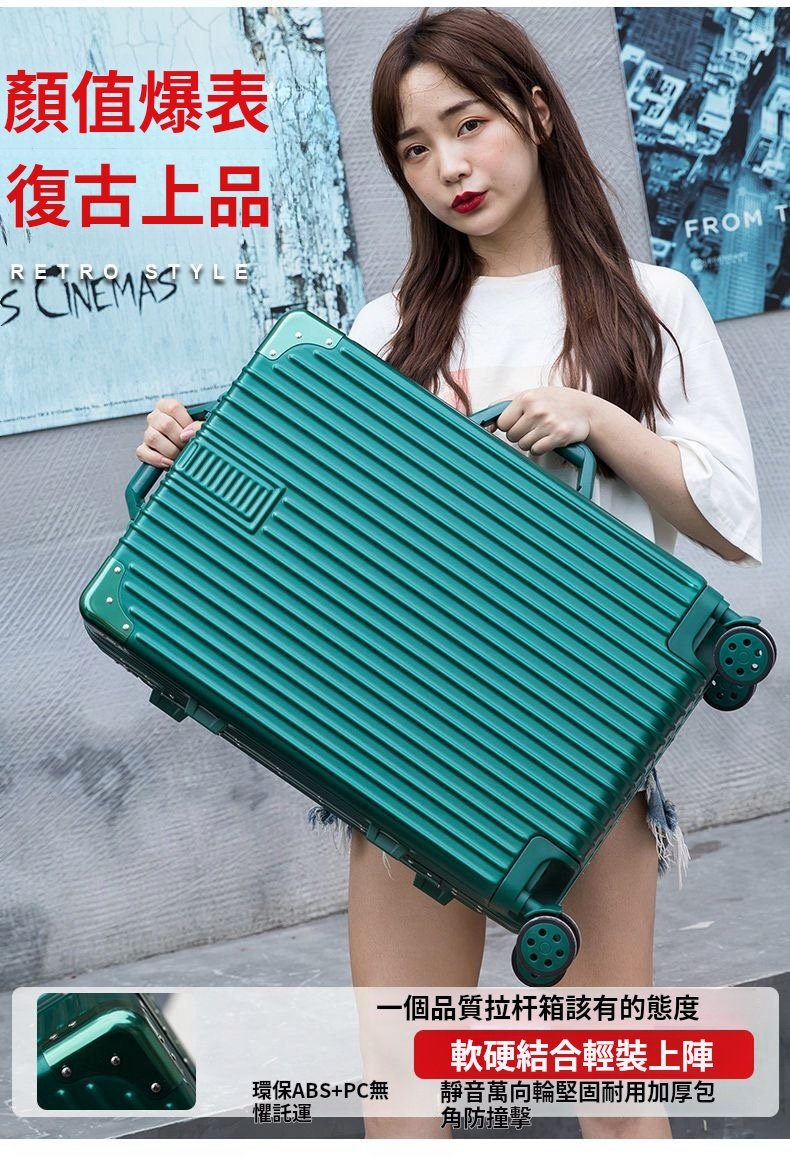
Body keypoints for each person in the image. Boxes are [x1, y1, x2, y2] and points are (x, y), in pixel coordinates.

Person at [137, 8, 762, 1140]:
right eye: (415, 149)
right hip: (407, 754)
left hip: (581, 752)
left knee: (615, 1104)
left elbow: (726, 519)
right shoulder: (388, 331)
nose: (448, 168)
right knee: (404, 1101)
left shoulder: (652, 303)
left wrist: (597, 421)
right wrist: (197, 461)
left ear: (536, 111)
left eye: (468, 125)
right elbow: (318, 546)